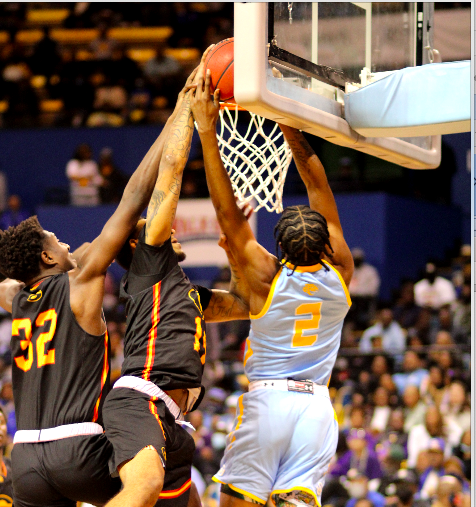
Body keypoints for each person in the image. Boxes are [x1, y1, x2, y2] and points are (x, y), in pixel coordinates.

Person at [0, 72, 198, 507]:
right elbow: (133, 198)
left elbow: (18, 275)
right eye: (57, 240)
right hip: (77, 450)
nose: (67, 242)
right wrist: (177, 115)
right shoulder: (80, 280)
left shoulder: (15, 298)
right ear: (49, 259)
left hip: (25, 462)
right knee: (158, 485)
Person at [191, 67, 354, 507]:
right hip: (318, 409)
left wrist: (208, 130)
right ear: (327, 244)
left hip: (270, 404)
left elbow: (226, 212)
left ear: (278, 246)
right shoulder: (342, 271)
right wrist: (290, 127)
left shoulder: (266, 276)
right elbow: (317, 182)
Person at [102, 49, 250, 507]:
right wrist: (189, 102)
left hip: (172, 418)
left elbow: (247, 303)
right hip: (141, 401)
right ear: (137, 245)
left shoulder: (185, 292)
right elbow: (170, 172)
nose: (165, 224)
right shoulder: (150, 265)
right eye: (153, 226)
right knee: (142, 491)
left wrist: (237, 242)